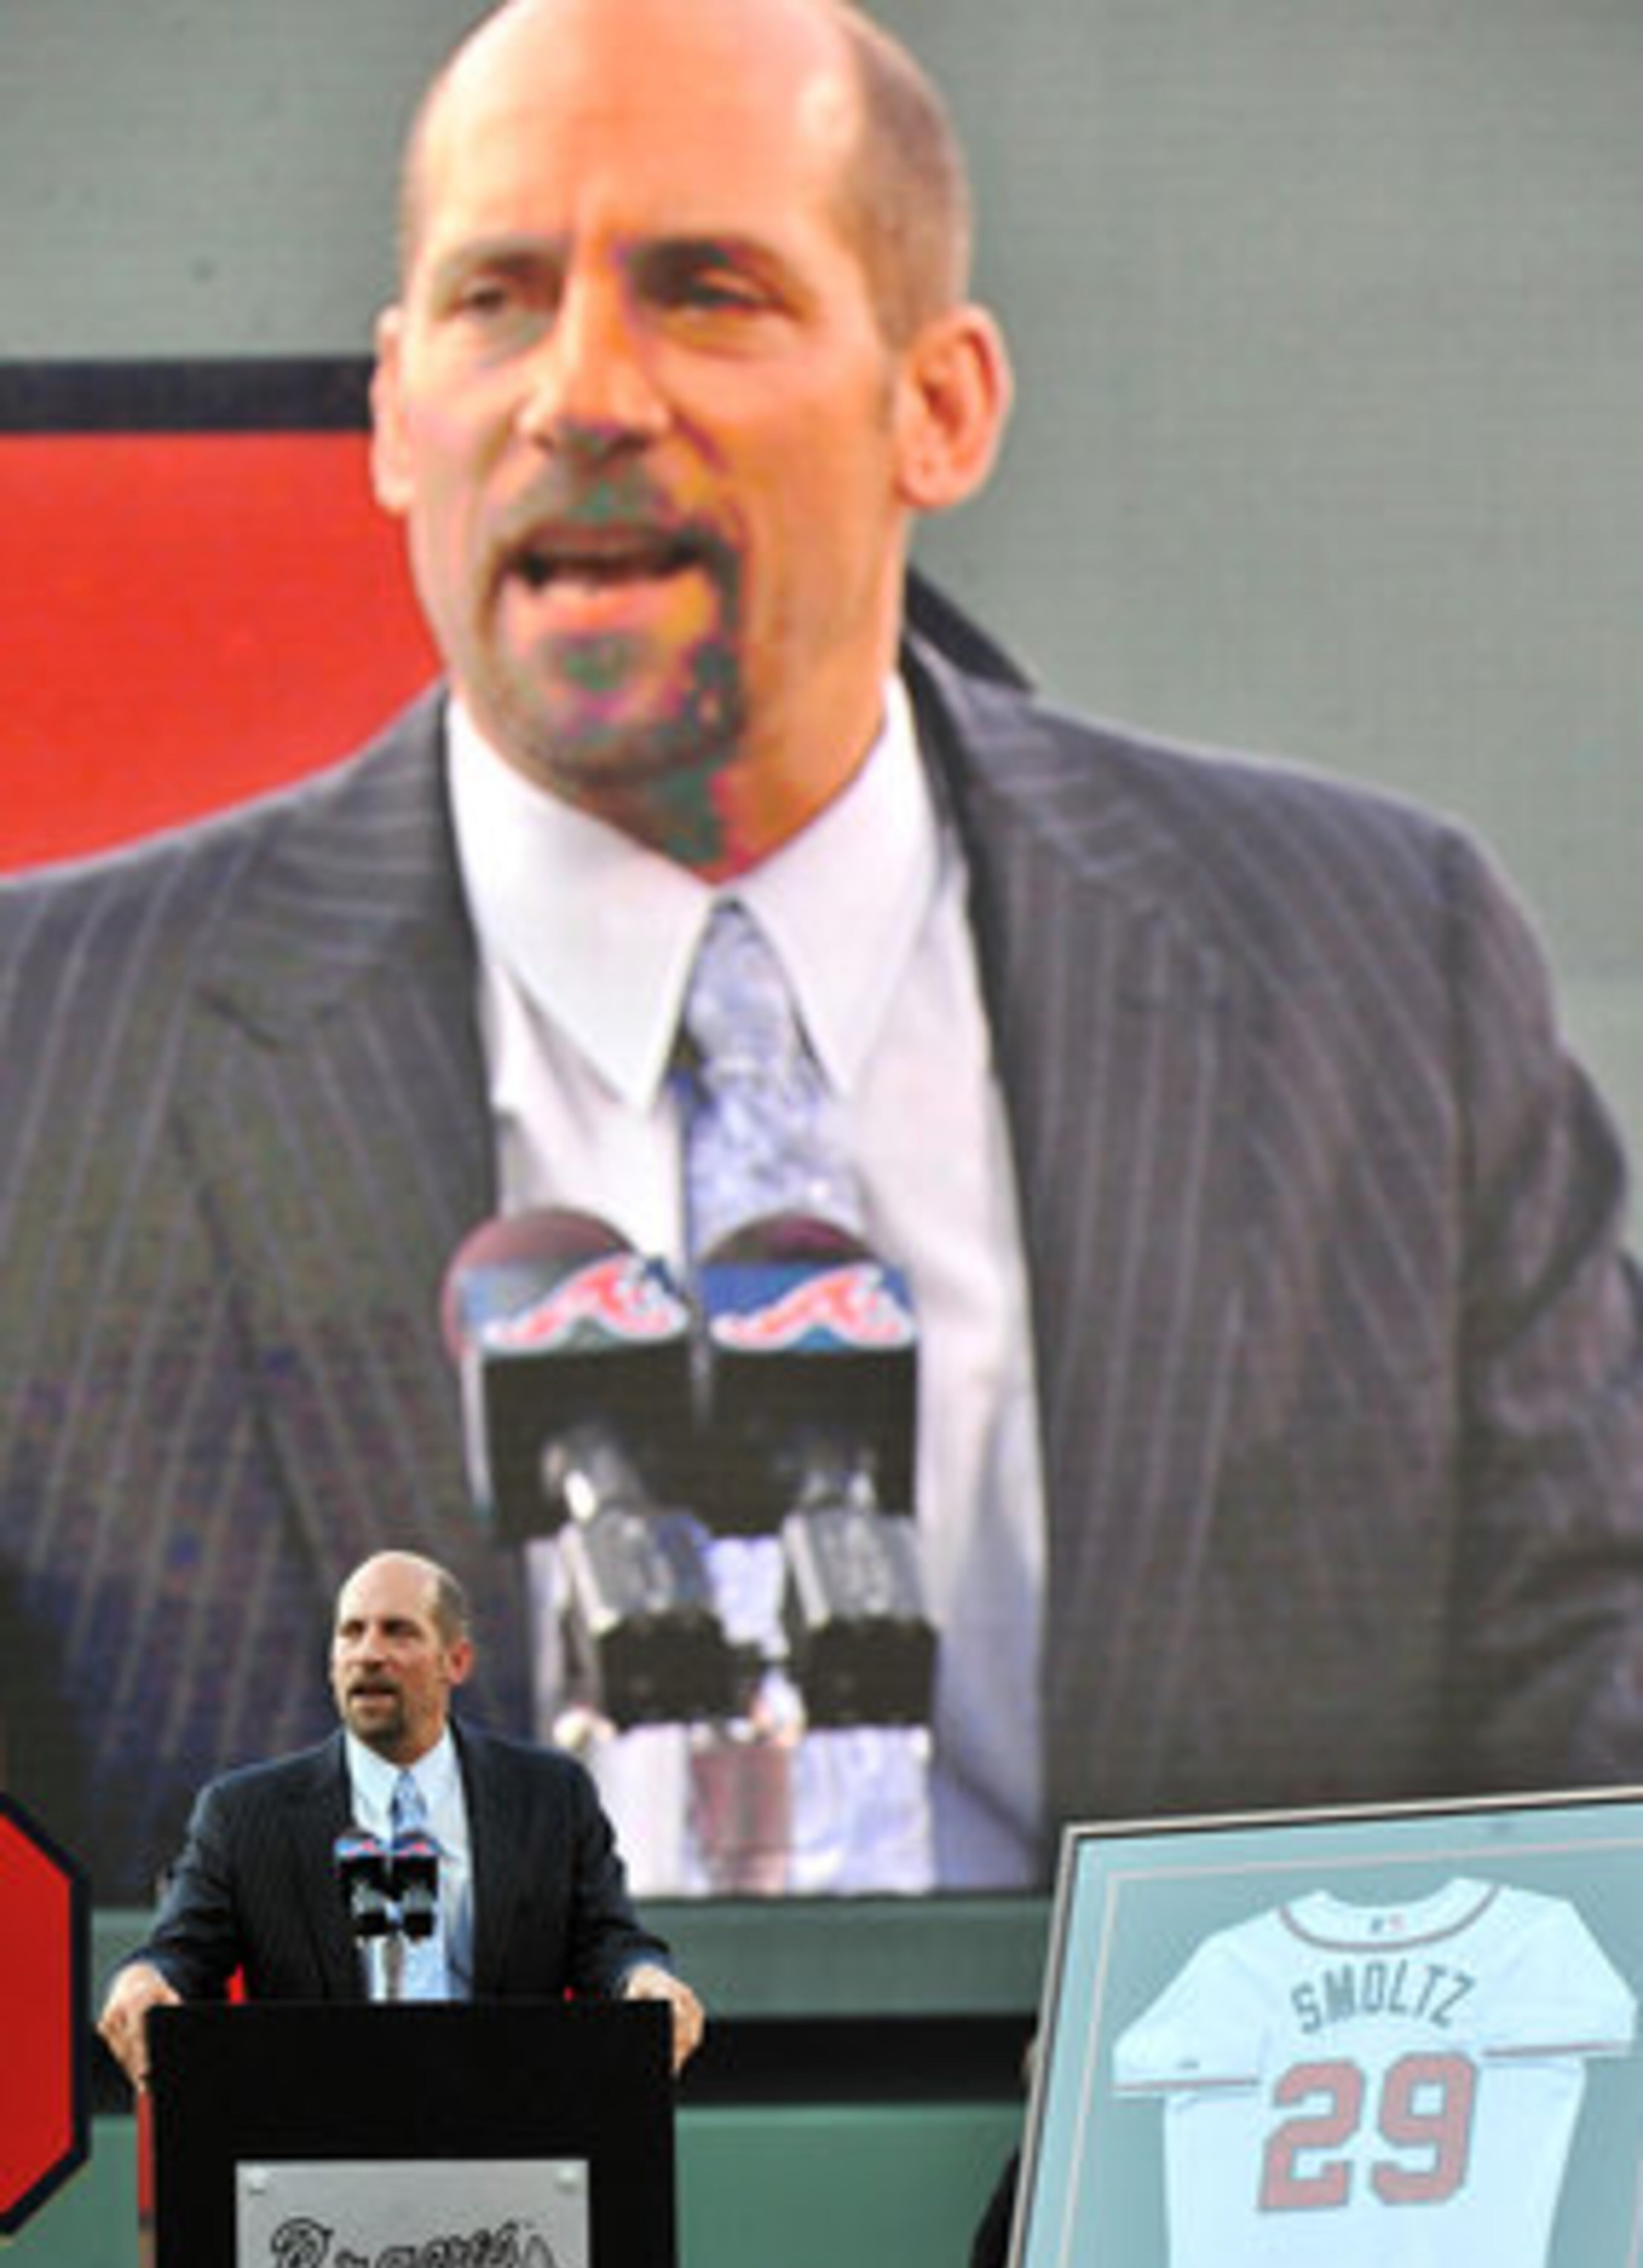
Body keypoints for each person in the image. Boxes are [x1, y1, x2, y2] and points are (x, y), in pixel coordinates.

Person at [5, 0, 1643, 1906]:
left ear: (936, 407)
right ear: (392, 413)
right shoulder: (49, 1059)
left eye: (705, 292)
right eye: (499, 301)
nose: (585, 394)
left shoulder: (1372, 986)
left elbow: (1586, 1748)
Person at [96, 1549, 705, 2087]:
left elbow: (607, 1942)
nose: (369, 1654)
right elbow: (182, 1951)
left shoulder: (548, 1795)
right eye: (351, 1633)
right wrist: (144, 1979)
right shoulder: (246, 1813)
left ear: (456, 1660)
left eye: (398, 1632)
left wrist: (644, 1980)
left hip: (507, 2138)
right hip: (318, 2147)